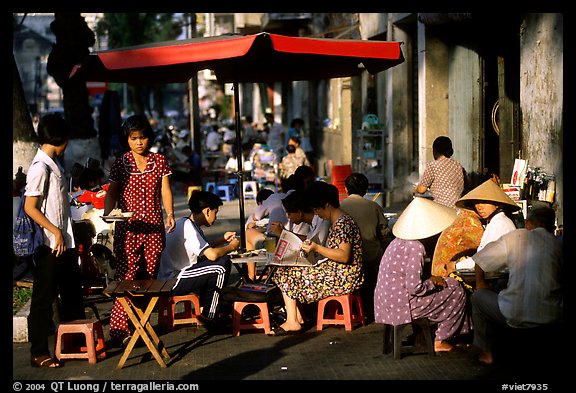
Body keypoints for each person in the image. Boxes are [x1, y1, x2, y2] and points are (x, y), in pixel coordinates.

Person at [447, 207, 563, 366]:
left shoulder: (516, 236)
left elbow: (480, 260)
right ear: (551, 226)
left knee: (478, 297)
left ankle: (486, 353)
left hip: (515, 315)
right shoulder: (558, 245)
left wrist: (481, 284)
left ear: (528, 224)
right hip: (552, 315)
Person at [103, 114, 176, 345]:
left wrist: (170, 213)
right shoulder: (120, 163)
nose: (139, 142)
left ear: (149, 138)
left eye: (143, 137)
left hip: (154, 228)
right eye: (134, 138)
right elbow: (112, 193)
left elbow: (165, 190)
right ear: (127, 139)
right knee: (126, 277)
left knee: (149, 278)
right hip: (128, 230)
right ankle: (118, 330)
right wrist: (109, 214)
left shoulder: (160, 161)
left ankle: (139, 324)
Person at [24, 114, 86, 368]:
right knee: (43, 299)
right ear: (61, 139)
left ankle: (74, 343)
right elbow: (31, 207)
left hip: (64, 242)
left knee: (72, 293)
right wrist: (55, 231)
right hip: (49, 245)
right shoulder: (40, 167)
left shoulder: (53, 164)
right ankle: (38, 352)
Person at [374, 196, 471, 352]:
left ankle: (453, 334)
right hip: (403, 304)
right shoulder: (416, 247)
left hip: (385, 302)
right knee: (457, 290)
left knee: (451, 284)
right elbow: (414, 287)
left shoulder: (396, 242)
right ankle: (442, 339)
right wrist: (433, 282)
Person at [270, 181, 364, 335]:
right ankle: (295, 318)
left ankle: (293, 321)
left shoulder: (343, 223)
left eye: (317, 209)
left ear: (326, 205)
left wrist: (316, 248)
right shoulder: (337, 221)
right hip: (337, 271)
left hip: (345, 276)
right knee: (285, 270)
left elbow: (344, 256)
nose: (316, 214)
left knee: (285, 274)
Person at [157, 190, 240, 328]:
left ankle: (207, 307)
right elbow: (211, 255)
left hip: (171, 276)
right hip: (173, 280)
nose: (215, 217)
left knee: (216, 262)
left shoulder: (186, 223)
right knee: (221, 265)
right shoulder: (188, 227)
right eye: (215, 212)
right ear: (207, 211)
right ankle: (210, 316)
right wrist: (231, 247)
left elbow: (204, 250)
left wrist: (222, 240)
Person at [340, 172, 392, 322]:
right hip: (370, 257)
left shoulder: (339, 207)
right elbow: (384, 233)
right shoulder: (374, 207)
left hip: (347, 259)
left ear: (345, 189)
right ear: (365, 190)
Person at [454, 179, 520, 288]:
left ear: (497, 204)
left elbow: (483, 259)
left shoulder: (499, 224)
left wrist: (456, 266)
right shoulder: (495, 222)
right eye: (476, 203)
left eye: (484, 202)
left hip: (501, 281)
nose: (479, 207)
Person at [414, 136, 466, 209]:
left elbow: (421, 190)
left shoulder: (433, 165)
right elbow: (466, 186)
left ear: (435, 150)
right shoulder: (458, 166)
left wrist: (415, 188)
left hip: (441, 208)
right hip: (457, 207)